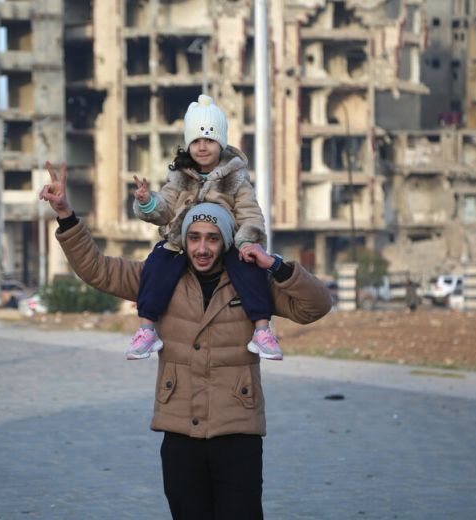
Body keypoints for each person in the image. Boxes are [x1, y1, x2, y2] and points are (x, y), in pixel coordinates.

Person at [39, 163, 332, 519]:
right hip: (179, 433)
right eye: (194, 237)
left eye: (212, 238)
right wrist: (67, 216)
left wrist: (273, 264)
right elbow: (98, 269)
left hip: (237, 434)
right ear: (185, 239)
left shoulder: (254, 283)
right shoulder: (159, 278)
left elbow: (315, 306)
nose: (203, 248)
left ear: (225, 240)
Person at [128, 94, 282, 362]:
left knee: (250, 270)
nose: (202, 147)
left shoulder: (236, 179)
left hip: (227, 243)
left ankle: (262, 330)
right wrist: (147, 201)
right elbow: (163, 210)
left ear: (220, 143)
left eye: (209, 140)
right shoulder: (178, 177)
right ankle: (146, 329)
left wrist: (246, 242)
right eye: (196, 140)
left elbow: (250, 215)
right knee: (156, 265)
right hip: (180, 241)